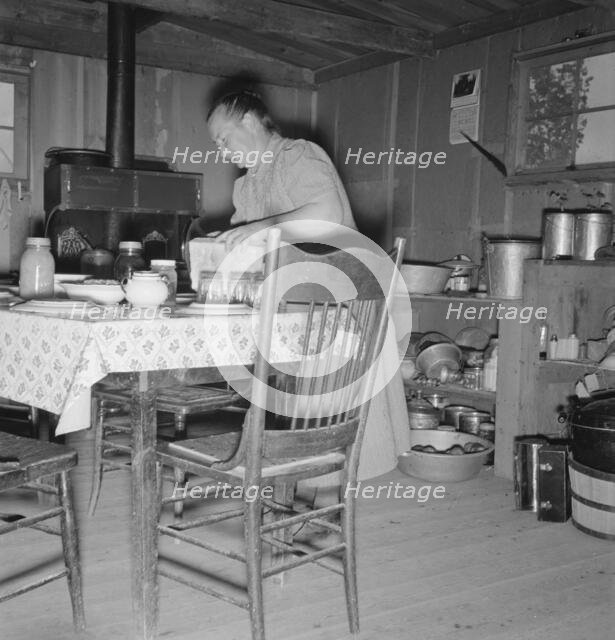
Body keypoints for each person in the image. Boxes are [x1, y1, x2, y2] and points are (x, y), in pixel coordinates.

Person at [206, 90, 357, 249]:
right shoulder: (244, 187)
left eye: (224, 140)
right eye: (218, 146)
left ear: (249, 123)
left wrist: (261, 229)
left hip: (341, 268)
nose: (223, 153)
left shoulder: (295, 154)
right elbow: (247, 237)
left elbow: (328, 216)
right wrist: (226, 239)